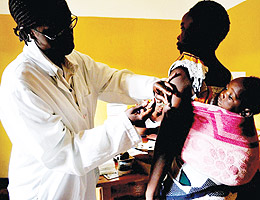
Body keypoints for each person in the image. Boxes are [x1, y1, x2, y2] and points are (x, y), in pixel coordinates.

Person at [0, 0, 168, 199]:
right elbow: (65, 152)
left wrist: (151, 87)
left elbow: (112, 81)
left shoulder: (76, 62)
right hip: (45, 192)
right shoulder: (20, 82)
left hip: (82, 188)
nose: (67, 33)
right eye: (53, 30)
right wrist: (125, 125)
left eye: (68, 22)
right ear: (28, 33)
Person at [146, 1, 232, 199]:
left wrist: (152, 187)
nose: (179, 35)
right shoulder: (224, 75)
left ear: (200, 33)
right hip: (216, 175)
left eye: (184, 28)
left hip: (188, 178)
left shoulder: (184, 71)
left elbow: (170, 134)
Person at [147, 75, 260, 199]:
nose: (222, 94)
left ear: (245, 113)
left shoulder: (236, 125)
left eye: (230, 96)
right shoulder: (213, 111)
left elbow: (180, 118)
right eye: (226, 88)